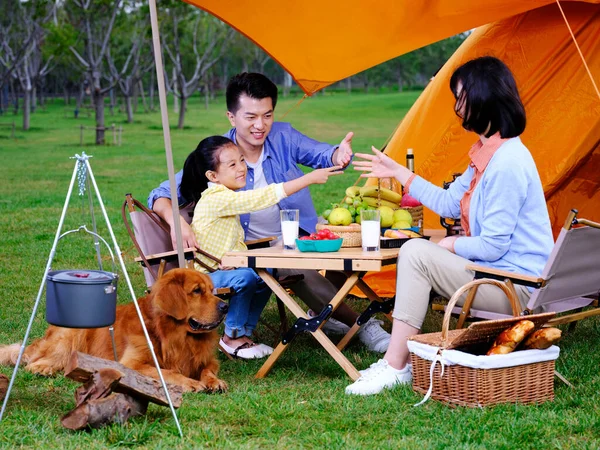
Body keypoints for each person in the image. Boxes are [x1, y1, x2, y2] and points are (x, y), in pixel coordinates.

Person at [346, 56, 554, 395]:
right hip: (496, 274)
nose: (456, 107)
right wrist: (399, 171)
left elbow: (494, 245)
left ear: (482, 97)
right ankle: (397, 362)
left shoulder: (508, 163)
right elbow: (447, 203)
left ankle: (396, 366)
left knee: (416, 251)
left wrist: (447, 246)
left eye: (460, 97)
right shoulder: (488, 153)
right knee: (418, 250)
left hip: (518, 288)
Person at [148, 72, 391, 353]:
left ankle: (325, 313)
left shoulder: (283, 136)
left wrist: (339, 155)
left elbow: (322, 154)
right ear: (231, 117)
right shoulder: (220, 155)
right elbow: (160, 194)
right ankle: (362, 326)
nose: (260, 125)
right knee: (292, 263)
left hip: (298, 235)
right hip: (258, 249)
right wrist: (177, 223)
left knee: (340, 244)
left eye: (267, 115)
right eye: (250, 117)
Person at [183, 135, 342, 358]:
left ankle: (243, 333)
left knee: (266, 272)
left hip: (224, 269)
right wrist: (308, 179)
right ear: (213, 176)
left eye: (241, 160)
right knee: (246, 277)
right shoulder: (215, 198)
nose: (241, 168)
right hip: (205, 276)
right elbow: (258, 198)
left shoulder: (226, 195)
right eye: (232, 164)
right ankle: (232, 337)